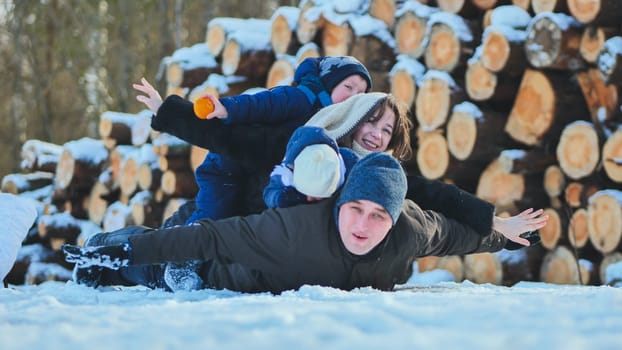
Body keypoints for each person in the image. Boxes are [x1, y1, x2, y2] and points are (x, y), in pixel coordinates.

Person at [62, 153, 548, 294]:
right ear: (339, 205)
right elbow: (209, 237)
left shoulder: (412, 230)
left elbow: (458, 235)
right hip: (220, 266)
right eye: (355, 209)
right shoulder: (292, 230)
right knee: (152, 268)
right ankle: (109, 244)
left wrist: (503, 235)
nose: (362, 224)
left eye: (379, 215)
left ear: (395, 216)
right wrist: (125, 254)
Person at [134, 56, 372, 223]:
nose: (354, 96)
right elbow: (260, 103)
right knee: (213, 213)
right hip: (226, 165)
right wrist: (227, 108)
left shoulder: (338, 124)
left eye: (361, 93)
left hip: (256, 175)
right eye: (348, 87)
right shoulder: (300, 97)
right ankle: (186, 253)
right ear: (329, 83)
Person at [263, 125, 360, 208]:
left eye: (317, 196)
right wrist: (284, 198)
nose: (309, 199)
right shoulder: (286, 174)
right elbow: (269, 194)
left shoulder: (350, 166)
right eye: (306, 193)